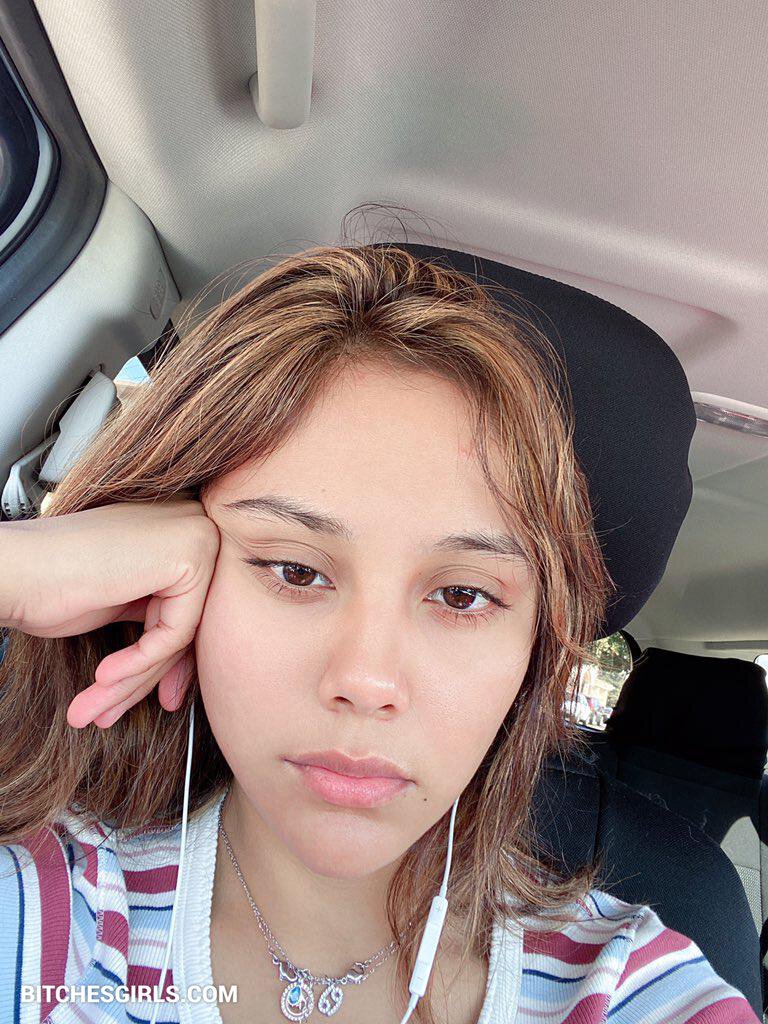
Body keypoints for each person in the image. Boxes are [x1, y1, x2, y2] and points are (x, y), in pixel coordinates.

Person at [0, 242, 759, 1024]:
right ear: (183, 588)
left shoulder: (631, 990)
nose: (365, 681)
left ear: (534, 651)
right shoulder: (50, 917)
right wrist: (23, 566)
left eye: (462, 595)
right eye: (296, 571)